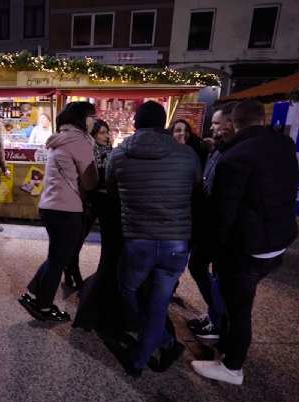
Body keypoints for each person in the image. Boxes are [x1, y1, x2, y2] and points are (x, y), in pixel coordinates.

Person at [192, 100, 298, 385]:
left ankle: (232, 366)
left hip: (248, 247)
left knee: (240, 309)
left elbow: (223, 214)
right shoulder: (283, 144)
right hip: (279, 239)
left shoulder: (236, 157)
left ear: (233, 123)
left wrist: (214, 251)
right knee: (237, 303)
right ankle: (223, 337)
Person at [107, 101, 200, 377]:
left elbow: (112, 191)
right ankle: (151, 349)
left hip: (138, 239)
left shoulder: (120, 154)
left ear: (135, 122)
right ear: (164, 123)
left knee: (127, 288)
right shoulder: (186, 154)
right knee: (159, 303)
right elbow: (196, 187)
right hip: (176, 241)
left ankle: (153, 343)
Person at [18, 102, 98, 322]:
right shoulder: (79, 141)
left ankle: (35, 294)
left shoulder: (60, 138)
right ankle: (43, 307)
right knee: (60, 258)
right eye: (92, 117)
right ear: (82, 119)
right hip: (67, 207)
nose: (94, 121)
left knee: (56, 255)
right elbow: (90, 181)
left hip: (50, 206)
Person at [186, 102, 238, 342]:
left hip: (220, 228)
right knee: (198, 267)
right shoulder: (217, 149)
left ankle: (218, 322)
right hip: (208, 224)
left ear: (231, 123)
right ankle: (215, 315)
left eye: (216, 123)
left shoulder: (233, 153)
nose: (213, 127)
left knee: (213, 273)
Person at [65, 119, 113, 290]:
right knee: (78, 239)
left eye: (107, 132)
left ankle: (102, 276)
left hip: (106, 200)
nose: (106, 136)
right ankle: (72, 272)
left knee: (109, 241)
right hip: (89, 200)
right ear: (93, 134)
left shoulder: (109, 150)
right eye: (102, 132)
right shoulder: (88, 151)